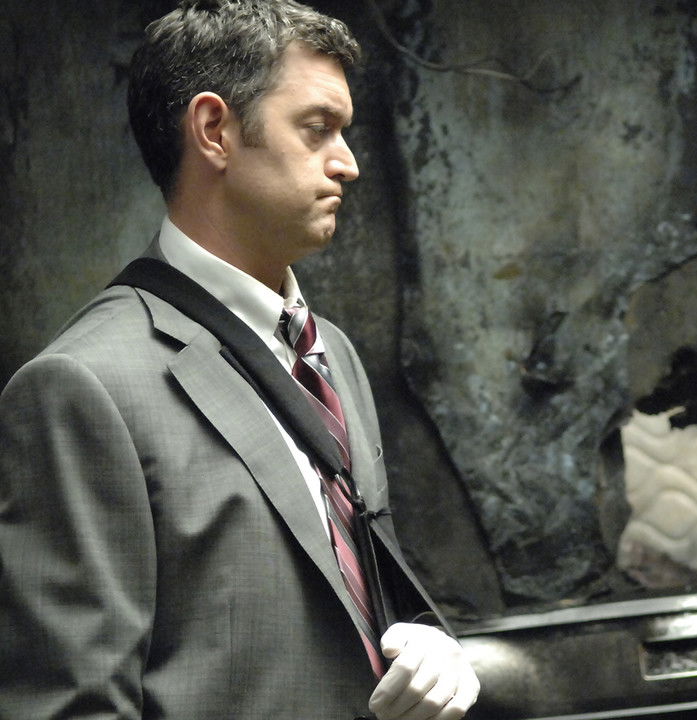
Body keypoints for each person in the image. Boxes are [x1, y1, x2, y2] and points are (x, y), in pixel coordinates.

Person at [0, 2, 478, 719]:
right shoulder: (81, 388)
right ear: (214, 130)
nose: (348, 162)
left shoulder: (332, 352)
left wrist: (427, 642)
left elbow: (341, 598)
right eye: (316, 128)